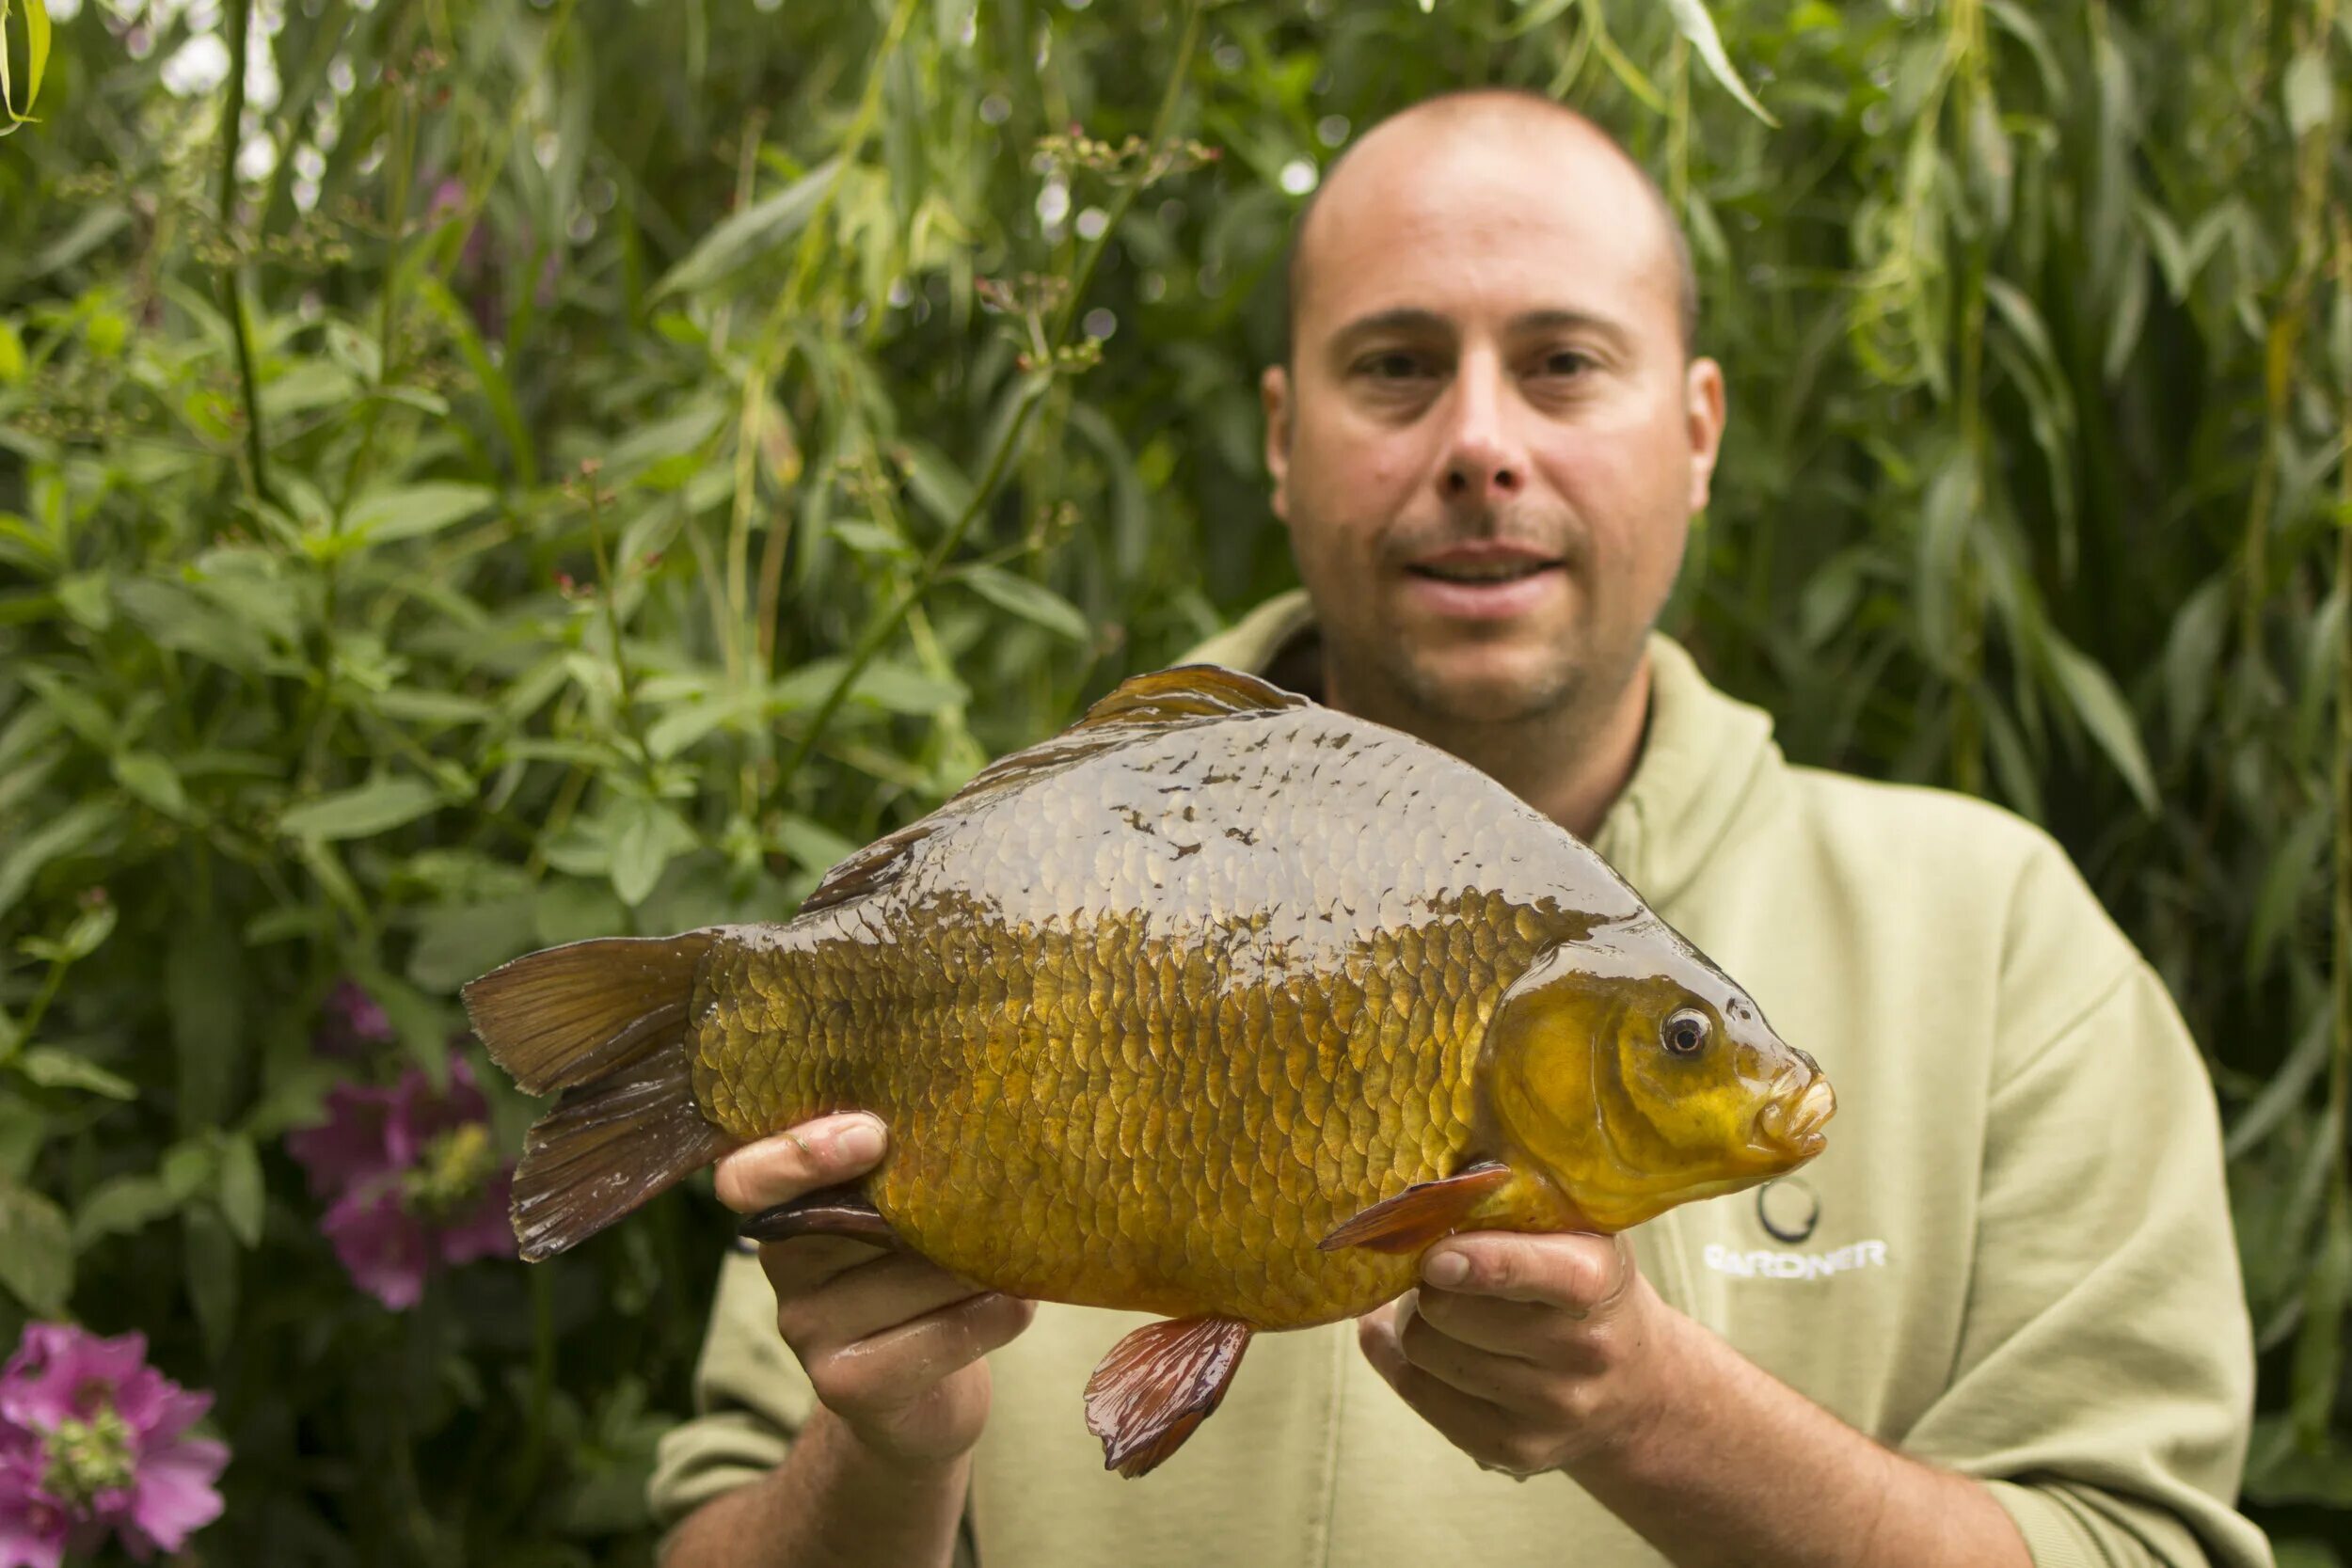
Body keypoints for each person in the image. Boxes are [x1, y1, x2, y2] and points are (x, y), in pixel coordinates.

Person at [647, 89, 2273, 1568]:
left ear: (1698, 429)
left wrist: (1659, 1419)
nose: (1481, 445)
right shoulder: (1013, 900)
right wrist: (885, 1452)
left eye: (1564, 362)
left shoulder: (1996, 940)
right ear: (1285, 435)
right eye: (1398, 365)